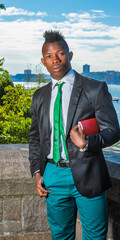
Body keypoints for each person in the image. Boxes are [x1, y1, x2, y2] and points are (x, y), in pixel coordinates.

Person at [28, 30, 120, 240]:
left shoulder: (95, 88)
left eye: (60, 53)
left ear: (70, 55)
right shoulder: (40, 95)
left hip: (89, 172)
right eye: (49, 56)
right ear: (43, 61)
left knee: (95, 236)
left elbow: (114, 131)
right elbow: (34, 138)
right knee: (60, 235)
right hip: (52, 174)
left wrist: (87, 142)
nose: (55, 60)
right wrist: (36, 172)